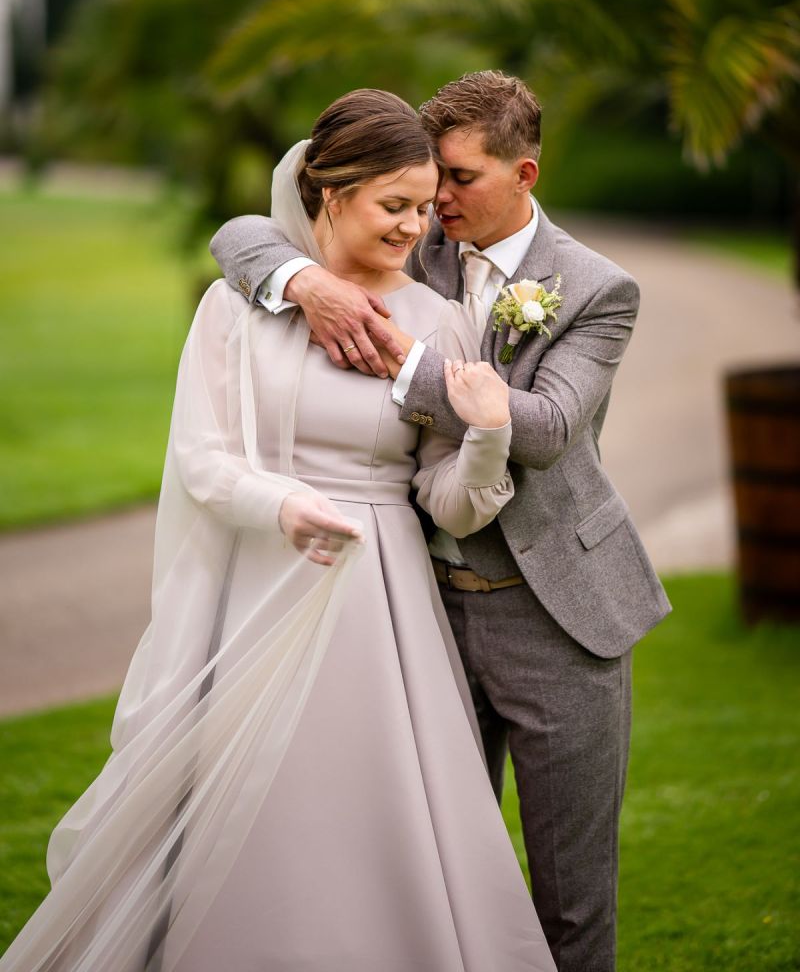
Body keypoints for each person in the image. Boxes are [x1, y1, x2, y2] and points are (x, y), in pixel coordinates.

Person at [0, 89, 556, 972]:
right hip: (262, 579)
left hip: (384, 601)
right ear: (329, 192)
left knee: (375, 808)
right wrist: (282, 506)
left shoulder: (437, 320)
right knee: (254, 803)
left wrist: (488, 439)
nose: (419, 226)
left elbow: (445, 502)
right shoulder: (235, 310)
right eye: (395, 205)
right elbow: (202, 462)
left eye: (425, 206)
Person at [211, 70, 672, 972]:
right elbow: (242, 235)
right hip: (419, 613)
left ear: (524, 174)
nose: (436, 203)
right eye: (427, 181)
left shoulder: (595, 289)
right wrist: (308, 283)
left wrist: (400, 354)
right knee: (438, 876)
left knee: (569, 898)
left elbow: (540, 431)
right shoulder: (414, 238)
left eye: (459, 179)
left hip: (560, 616)